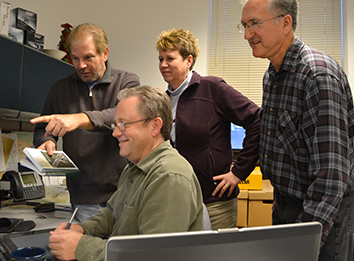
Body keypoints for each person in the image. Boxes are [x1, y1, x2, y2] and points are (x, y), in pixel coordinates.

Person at [240, 0, 354, 260]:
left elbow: (331, 177)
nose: (247, 34)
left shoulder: (318, 76)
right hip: (284, 204)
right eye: (245, 25)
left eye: (255, 23)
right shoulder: (272, 76)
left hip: (322, 212)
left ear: (285, 22)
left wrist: (304, 239)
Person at [48, 85, 204, 261]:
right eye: (116, 124)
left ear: (155, 126)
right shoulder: (134, 168)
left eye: (123, 124)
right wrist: (83, 229)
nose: (115, 132)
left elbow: (154, 255)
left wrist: (81, 247)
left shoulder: (169, 176)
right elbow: (113, 214)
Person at [30, 23, 140, 222]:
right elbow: (42, 130)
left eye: (88, 57)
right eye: (75, 58)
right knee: (89, 252)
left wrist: (80, 118)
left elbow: (123, 116)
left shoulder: (126, 81)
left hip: (124, 194)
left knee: (119, 253)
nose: (81, 66)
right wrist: (46, 141)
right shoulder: (60, 89)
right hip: (82, 199)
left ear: (104, 53)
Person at [156, 28, 260, 229]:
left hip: (215, 202)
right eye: (160, 59)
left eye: (170, 58)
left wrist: (239, 172)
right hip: (177, 203)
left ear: (188, 60)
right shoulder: (162, 101)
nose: (163, 65)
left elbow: (256, 119)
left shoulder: (212, 88)